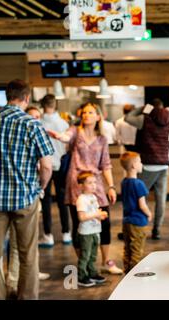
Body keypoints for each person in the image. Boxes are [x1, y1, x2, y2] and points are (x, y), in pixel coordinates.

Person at [48, 102, 123, 274]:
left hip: (96, 185)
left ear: (98, 116)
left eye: (90, 112)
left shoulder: (102, 139)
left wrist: (111, 186)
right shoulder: (75, 131)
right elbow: (66, 137)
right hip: (77, 185)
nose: (86, 115)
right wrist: (59, 136)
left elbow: (106, 164)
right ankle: (84, 263)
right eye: (84, 112)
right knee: (79, 224)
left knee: (104, 222)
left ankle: (106, 262)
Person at [0, 79, 54, 299]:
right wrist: (41, 186)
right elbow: (47, 165)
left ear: (7, 95)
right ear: (27, 98)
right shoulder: (32, 124)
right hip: (24, 198)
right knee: (28, 255)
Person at [125, 98, 169, 240]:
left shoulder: (144, 120)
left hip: (148, 165)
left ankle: (136, 226)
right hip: (164, 165)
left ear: (150, 108)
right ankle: (156, 230)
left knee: (137, 196)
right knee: (161, 199)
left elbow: (128, 117)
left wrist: (141, 108)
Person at [39, 94, 71, 247]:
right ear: (55, 105)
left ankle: (48, 235)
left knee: (46, 201)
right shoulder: (64, 123)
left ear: (42, 105)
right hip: (61, 165)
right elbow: (67, 146)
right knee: (62, 200)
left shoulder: (38, 123)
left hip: (44, 165)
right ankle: (66, 233)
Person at [119, 152, 152, 273]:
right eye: (139, 161)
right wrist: (149, 213)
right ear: (133, 165)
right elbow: (142, 205)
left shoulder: (124, 182)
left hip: (126, 221)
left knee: (127, 249)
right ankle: (134, 275)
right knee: (137, 251)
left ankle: (127, 271)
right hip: (138, 222)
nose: (141, 164)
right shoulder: (138, 184)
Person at [75, 172, 108, 287]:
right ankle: (81, 276)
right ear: (81, 186)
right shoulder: (81, 199)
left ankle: (92, 273)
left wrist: (100, 215)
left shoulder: (93, 197)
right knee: (85, 255)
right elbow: (82, 217)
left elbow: (93, 212)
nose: (94, 185)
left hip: (94, 230)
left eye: (95, 182)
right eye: (89, 183)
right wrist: (96, 214)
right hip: (86, 232)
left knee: (93, 255)